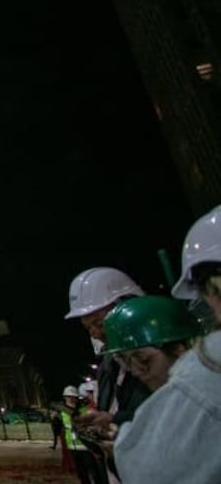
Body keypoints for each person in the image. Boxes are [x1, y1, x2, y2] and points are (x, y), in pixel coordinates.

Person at [108, 206, 221, 484]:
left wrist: (123, 441)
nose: (136, 370)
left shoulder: (206, 372)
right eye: (125, 361)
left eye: (142, 360)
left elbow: (151, 469)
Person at [65, 267, 152, 438]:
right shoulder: (109, 365)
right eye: (88, 327)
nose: (94, 333)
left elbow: (169, 416)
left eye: (98, 323)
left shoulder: (160, 358)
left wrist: (117, 421)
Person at [59, 385, 107, 484]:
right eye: (69, 396)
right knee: (81, 473)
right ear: (65, 397)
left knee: (94, 471)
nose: (71, 399)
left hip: (86, 445)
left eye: (73, 397)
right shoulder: (62, 412)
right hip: (72, 446)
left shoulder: (84, 410)